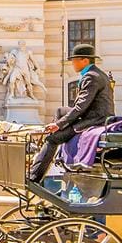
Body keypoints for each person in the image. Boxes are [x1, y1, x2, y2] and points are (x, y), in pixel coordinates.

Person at [26, 43, 115, 183]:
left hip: (94, 119)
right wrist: (59, 123)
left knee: (52, 139)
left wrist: (58, 125)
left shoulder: (91, 77)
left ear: (85, 60)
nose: (72, 63)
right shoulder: (95, 73)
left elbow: (80, 107)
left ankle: (33, 177)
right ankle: (53, 138)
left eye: (74, 60)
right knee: (60, 110)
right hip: (93, 114)